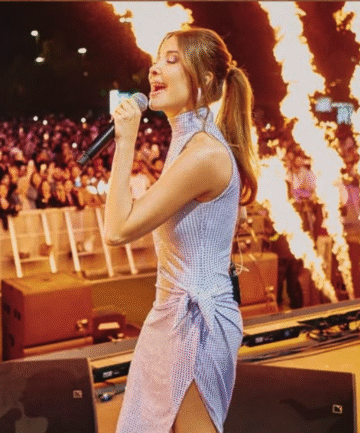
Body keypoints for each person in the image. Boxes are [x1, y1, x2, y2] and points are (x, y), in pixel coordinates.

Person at [104, 27, 258, 433]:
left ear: (204, 80)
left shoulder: (203, 153)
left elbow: (117, 230)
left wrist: (125, 141)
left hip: (197, 320)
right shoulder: (189, 143)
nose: (155, 68)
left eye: (171, 60)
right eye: (157, 58)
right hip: (173, 312)